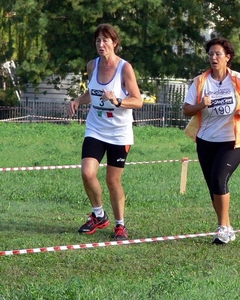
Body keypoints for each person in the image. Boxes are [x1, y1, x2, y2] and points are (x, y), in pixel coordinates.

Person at [67, 23, 143, 240]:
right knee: (87, 173)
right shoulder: (92, 65)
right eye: (98, 40)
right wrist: (78, 100)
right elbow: (93, 92)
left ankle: (120, 225)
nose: (101, 45)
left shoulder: (124, 68)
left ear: (115, 43)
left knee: (112, 180)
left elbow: (138, 101)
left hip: (119, 131)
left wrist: (118, 101)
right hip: (95, 127)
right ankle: (99, 215)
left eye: (105, 40)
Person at [183, 37, 240, 244]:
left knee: (219, 178)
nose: (213, 58)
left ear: (228, 58)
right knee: (212, 186)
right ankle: (227, 226)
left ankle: (222, 229)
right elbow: (187, 110)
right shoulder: (200, 82)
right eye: (210, 54)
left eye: (218, 54)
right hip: (206, 139)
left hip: (233, 139)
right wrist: (201, 105)